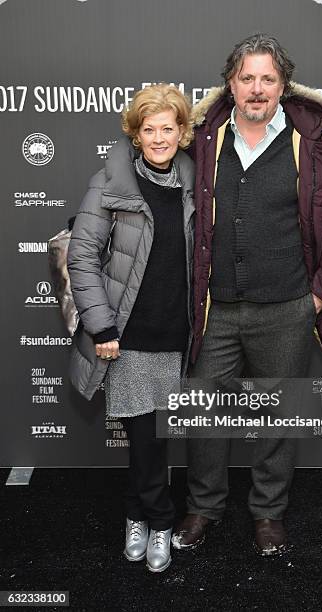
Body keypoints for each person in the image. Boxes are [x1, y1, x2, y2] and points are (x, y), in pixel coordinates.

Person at [172, 33, 322, 555]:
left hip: (287, 307)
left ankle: (268, 513)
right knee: (203, 412)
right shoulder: (202, 138)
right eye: (246, 78)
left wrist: (318, 298)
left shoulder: (320, 145)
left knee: (277, 414)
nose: (256, 89)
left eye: (267, 79)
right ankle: (204, 506)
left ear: (284, 85)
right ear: (230, 83)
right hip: (215, 308)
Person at [67, 84, 195, 572]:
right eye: (149, 130)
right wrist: (101, 327)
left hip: (178, 336)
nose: (159, 138)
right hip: (128, 338)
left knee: (157, 439)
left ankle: (137, 512)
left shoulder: (192, 181)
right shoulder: (109, 181)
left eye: (168, 128)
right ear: (135, 134)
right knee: (143, 436)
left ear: (182, 132)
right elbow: (81, 257)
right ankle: (157, 520)